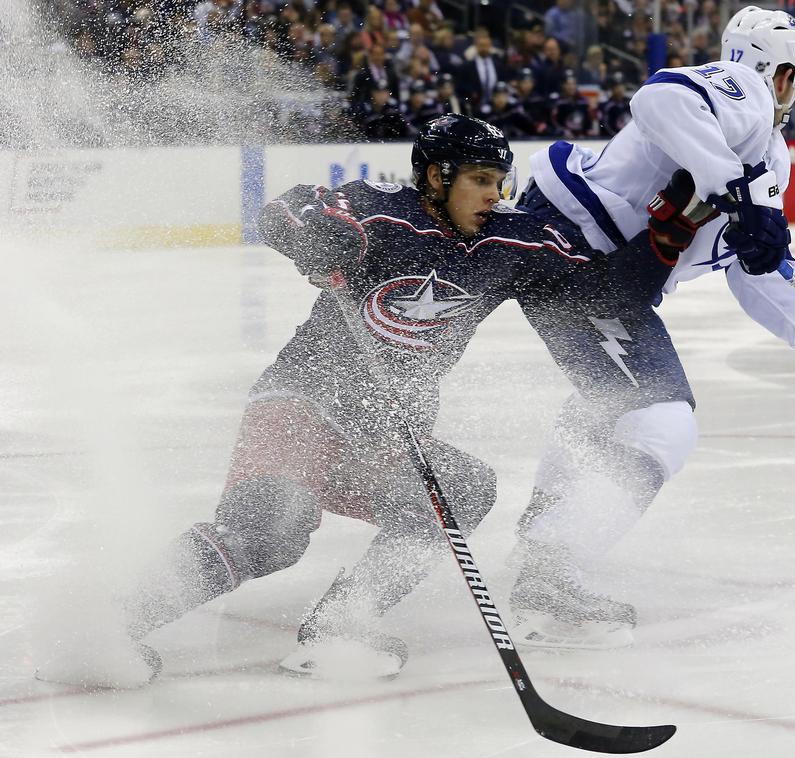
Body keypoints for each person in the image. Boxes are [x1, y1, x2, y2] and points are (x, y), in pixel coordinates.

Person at [34, 115, 709, 687]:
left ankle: (344, 621)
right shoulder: (381, 212)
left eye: (499, 181)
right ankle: (110, 626)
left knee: (463, 488)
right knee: (271, 531)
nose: (494, 194)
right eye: (478, 180)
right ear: (436, 177)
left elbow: (601, 290)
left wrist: (665, 239)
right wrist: (316, 236)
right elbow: (286, 210)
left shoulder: (511, 243)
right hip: (300, 405)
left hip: (379, 434)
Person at [505, 6, 795, 650]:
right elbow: (658, 97)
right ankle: (548, 566)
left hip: (596, 269)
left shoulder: (766, 152)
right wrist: (733, 187)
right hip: (584, 257)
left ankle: (545, 532)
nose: (793, 96)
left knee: (607, 399)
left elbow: (757, 270)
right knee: (661, 422)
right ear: (780, 73)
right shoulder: (741, 95)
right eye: (794, 80)